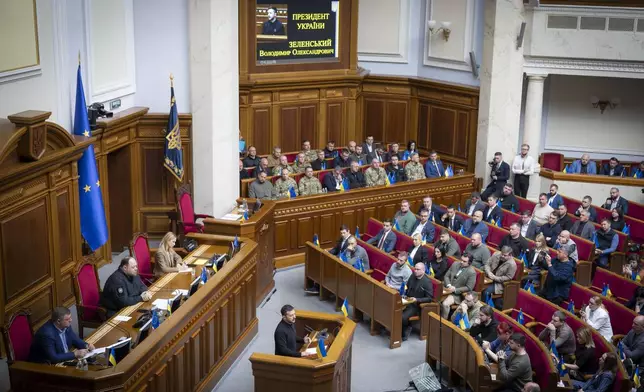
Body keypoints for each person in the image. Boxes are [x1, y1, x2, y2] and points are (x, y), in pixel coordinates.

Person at [28, 307, 94, 364]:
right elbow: (54, 358)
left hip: (63, 356)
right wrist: (75, 354)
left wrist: (86, 345)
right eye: (67, 319)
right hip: (45, 365)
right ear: (58, 321)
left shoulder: (66, 325)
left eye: (70, 317)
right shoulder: (47, 334)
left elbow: (75, 339)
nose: (71, 320)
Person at [401, 262, 433, 341]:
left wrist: (417, 299)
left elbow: (429, 298)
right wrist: (404, 294)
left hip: (416, 305)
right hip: (407, 300)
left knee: (403, 317)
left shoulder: (427, 282)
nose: (415, 271)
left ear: (423, 271)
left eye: (418, 269)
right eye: (415, 269)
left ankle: (405, 331)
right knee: (394, 309)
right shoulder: (412, 276)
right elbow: (407, 287)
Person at [441, 253, 476, 318]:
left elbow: (469, 287)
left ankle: (443, 322)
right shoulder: (455, 264)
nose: (461, 262)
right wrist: (449, 285)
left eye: (464, 261)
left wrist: (455, 289)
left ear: (470, 263)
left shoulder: (472, 272)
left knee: (445, 304)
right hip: (447, 288)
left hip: (457, 294)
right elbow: (446, 276)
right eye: (461, 260)